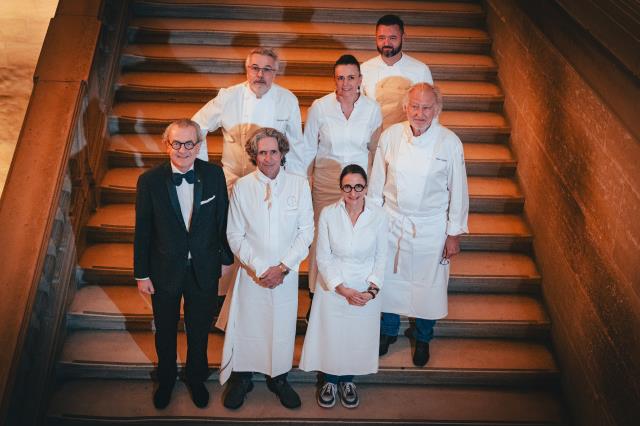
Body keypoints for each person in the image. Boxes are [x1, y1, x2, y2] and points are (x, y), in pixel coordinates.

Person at [133, 119, 233, 409]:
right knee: (164, 328)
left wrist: (225, 259)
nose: (183, 149)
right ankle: (166, 379)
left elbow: (222, 220)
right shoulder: (149, 181)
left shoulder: (214, 176)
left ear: (199, 146)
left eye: (190, 143)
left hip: (203, 267)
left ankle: (196, 377)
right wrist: (142, 274)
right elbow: (143, 231)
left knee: (199, 327)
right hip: (164, 269)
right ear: (167, 145)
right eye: (177, 143)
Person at [368, 82, 469, 367]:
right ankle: (387, 332)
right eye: (415, 106)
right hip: (392, 222)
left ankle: (423, 336)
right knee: (388, 281)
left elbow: (458, 190)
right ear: (405, 107)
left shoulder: (449, 142)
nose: (420, 113)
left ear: (437, 109)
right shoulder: (390, 137)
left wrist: (453, 234)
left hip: (431, 227)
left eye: (426, 107)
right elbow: (376, 184)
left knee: (429, 287)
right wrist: (371, 224)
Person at [192, 47, 305, 298]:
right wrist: (204, 170)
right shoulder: (228, 97)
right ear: (247, 69)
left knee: (259, 235)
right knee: (229, 236)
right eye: (255, 68)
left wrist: (297, 184)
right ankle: (222, 297)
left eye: (267, 69)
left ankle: (257, 289)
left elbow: (297, 146)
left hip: (269, 182)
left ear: (276, 72)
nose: (260, 74)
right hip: (232, 180)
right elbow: (197, 127)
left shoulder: (288, 99)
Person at [219, 127, 314, 410]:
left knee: (281, 327)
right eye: (262, 152)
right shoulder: (243, 187)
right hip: (252, 273)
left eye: (274, 151)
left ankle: (279, 379)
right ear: (254, 155)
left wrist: (283, 267)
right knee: (248, 325)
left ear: (282, 153)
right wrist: (261, 268)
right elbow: (234, 234)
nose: (268, 158)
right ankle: (243, 378)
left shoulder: (299, 185)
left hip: (285, 273)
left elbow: (306, 231)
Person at [299, 164, 388, 409]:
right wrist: (340, 288)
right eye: (347, 186)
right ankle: (329, 380)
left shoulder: (379, 216)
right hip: (333, 285)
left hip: (364, 287)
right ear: (341, 188)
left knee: (355, 338)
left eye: (358, 186)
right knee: (332, 336)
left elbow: (382, 257)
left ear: (366, 187)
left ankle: (348, 381)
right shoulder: (328, 213)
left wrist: (371, 291)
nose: (353, 192)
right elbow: (323, 256)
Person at [302, 54, 382, 309]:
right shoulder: (320, 106)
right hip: (326, 183)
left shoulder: (372, 108)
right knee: (323, 239)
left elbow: (375, 150)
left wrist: (372, 189)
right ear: (334, 80)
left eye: (351, 77)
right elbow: (307, 149)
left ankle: (355, 287)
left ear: (360, 79)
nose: (346, 83)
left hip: (357, 186)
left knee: (353, 237)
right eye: (340, 78)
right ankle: (317, 294)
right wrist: (304, 184)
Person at [361, 14, 434, 129]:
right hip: (374, 139)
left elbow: (431, 111)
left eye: (392, 38)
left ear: (403, 37)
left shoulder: (420, 70)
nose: (386, 43)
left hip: (408, 139)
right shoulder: (364, 69)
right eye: (381, 38)